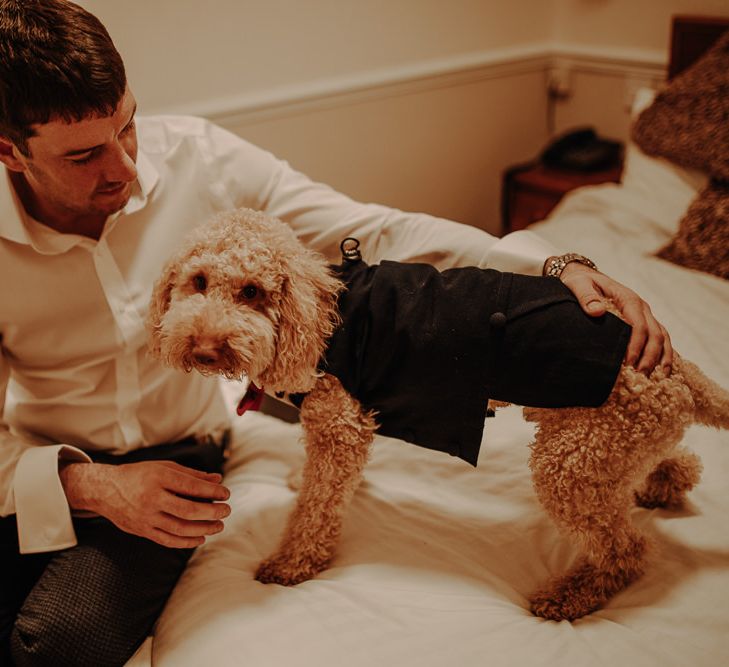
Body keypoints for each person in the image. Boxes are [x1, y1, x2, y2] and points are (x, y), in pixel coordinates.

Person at [0, 0, 671, 664]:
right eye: (85, 154)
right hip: (31, 458)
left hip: (179, 454)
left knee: (60, 642)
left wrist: (553, 263)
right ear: (11, 152)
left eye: (129, 127)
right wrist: (88, 486)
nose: (122, 166)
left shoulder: (201, 159)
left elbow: (379, 230)